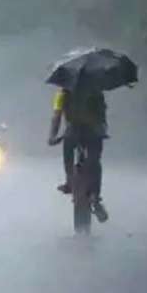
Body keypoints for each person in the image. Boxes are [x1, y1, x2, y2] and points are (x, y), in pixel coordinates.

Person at [48, 86, 109, 222]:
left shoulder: (62, 93)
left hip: (73, 133)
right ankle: (95, 195)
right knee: (95, 160)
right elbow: (102, 116)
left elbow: (56, 116)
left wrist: (52, 136)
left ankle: (69, 181)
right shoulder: (96, 91)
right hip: (93, 133)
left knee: (68, 155)